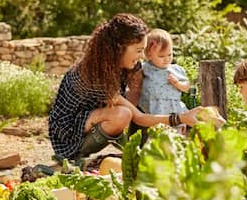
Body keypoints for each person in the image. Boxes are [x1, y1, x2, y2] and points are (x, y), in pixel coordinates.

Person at [49, 13, 201, 161]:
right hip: (67, 131)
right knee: (122, 114)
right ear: (120, 48)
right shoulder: (95, 74)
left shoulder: (127, 65)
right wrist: (181, 118)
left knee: (134, 99)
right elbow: (139, 117)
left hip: (93, 115)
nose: (141, 56)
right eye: (138, 50)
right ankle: (76, 157)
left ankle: (139, 146)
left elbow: (136, 99)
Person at [138, 28, 190, 115]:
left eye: (169, 54)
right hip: (152, 107)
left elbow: (187, 87)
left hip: (173, 107)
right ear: (149, 55)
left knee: (175, 125)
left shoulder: (175, 70)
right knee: (154, 127)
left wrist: (177, 84)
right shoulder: (146, 68)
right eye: (161, 56)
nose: (166, 59)